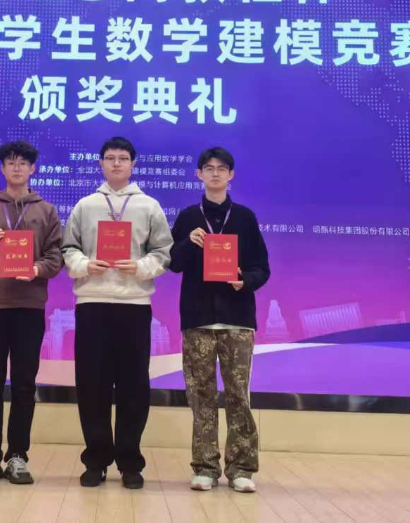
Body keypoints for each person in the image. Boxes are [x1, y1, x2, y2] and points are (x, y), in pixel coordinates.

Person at [62, 136, 173, 489]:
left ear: (132, 164)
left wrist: (141, 267)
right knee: (91, 385)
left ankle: (129, 462)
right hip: (91, 303)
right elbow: (68, 247)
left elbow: (163, 252)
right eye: (110, 158)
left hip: (134, 305)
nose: (116, 164)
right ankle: (96, 460)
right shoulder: (85, 205)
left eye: (123, 158)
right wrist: (84, 265)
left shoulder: (149, 206)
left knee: (133, 386)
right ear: (100, 163)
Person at [0, 140, 64, 485]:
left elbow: (56, 258)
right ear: (2, 169)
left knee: (24, 384)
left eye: (23, 163)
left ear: (33, 169)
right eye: (11, 162)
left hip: (29, 306)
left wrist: (36, 269)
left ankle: (18, 455)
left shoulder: (46, 211)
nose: (17, 167)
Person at [168, 146, 269, 494]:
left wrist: (245, 280)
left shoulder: (244, 217)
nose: (215, 173)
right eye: (208, 168)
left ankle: (241, 468)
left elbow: (262, 268)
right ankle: (205, 467)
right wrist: (188, 243)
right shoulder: (187, 217)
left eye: (221, 168)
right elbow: (173, 263)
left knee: (239, 395)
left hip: (237, 319)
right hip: (197, 319)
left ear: (231, 175)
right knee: (201, 396)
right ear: (199, 174)